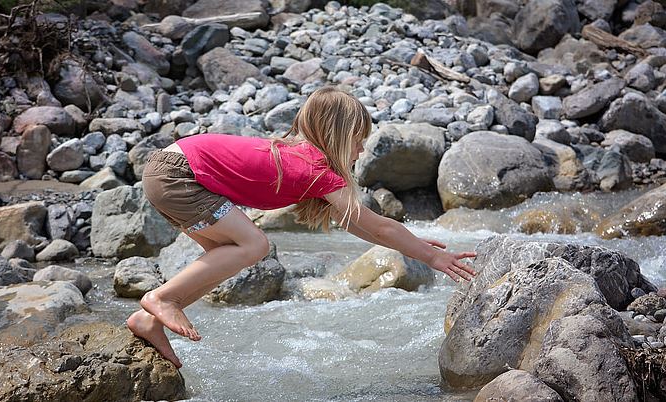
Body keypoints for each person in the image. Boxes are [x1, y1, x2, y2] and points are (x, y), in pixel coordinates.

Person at [126, 86, 477, 368]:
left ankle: (149, 320)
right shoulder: (314, 167)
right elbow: (379, 227)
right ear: (337, 135)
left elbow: (360, 226)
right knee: (255, 246)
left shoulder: (302, 160)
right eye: (357, 140)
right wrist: (431, 257)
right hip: (179, 173)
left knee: (226, 254)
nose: (360, 150)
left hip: (169, 171)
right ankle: (162, 298)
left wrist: (413, 244)